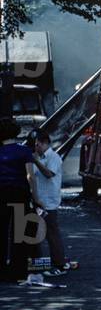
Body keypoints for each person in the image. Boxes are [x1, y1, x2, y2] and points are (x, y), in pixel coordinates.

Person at [0, 118, 41, 282]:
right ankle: (17, 271)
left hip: (1, 194)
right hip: (19, 194)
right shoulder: (24, 151)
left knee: (1, 232)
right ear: (16, 133)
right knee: (19, 234)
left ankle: (1, 271)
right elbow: (30, 176)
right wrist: (36, 197)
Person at [31, 130, 72, 274]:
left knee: (51, 234)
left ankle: (59, 264)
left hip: (49, 201)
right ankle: (38, 263)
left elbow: (48, 174)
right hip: (39, 201)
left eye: (38, 145)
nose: (36, 148)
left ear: (45, 143)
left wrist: (35, 160)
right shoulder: (39, 157)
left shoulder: (53, 158)